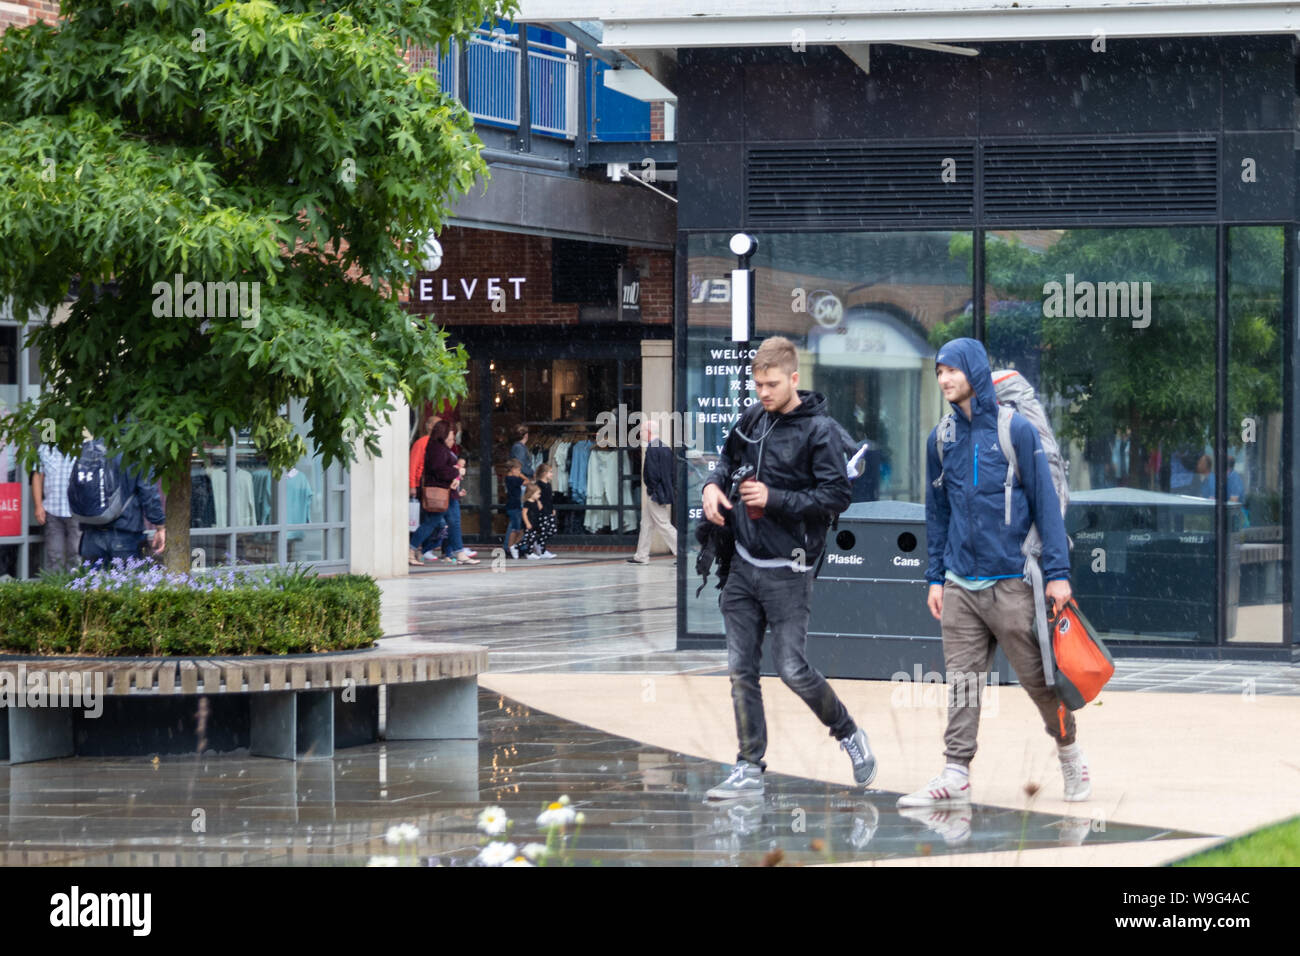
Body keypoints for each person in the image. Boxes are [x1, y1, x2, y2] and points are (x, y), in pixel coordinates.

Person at [901, 337, 1087, 809]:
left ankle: (1069, 753)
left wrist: (1058, 573)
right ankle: (956, 771)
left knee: (1041, 684)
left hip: (1014, 581)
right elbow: (936, 514)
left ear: (975, 372)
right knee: (962, 682)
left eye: (952, 370)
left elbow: (1046, 503)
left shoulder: (1016, 431)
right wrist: (935, 577)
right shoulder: (939, 440)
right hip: (962, 583)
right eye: (939, 371)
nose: (944, 378)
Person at [700, 335, 875, 799]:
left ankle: (848, 733)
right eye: (758, 384)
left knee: (793, 669)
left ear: (794, 378)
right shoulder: (753, 418)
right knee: (741, 669)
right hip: (742, 564)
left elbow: (837, 497)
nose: (763, 393)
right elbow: (726, 460)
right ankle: (748, 766)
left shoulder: (820, 431)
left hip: (789, 569)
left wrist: (774, 499)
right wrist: (711, 487)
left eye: (772, 384)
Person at [76, 447, 167, 564]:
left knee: (91, 581)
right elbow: (148, 493)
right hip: (125, 532)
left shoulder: (89, 450)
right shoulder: (136, 452)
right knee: (128, 580)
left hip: (90, 533)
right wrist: (159, 525)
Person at [422, 421, 478, 565]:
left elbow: (443, 469)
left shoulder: (443, 449)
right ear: (444, 435)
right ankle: (418, 549)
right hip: (441, 492)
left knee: (451, 523)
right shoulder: (437, 449)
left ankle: (455, 552)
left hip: (448, 492)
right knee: (437, 523)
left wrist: (457, 476)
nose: (453, 440)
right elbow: (440, 470)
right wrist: (457, 471)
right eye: (451, 436)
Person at [628, 419, 677, 564]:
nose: (640, 433)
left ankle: (682, 552)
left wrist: (652, 489)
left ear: (648, 432)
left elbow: (652, 474)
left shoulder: (652, 448)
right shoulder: (665, 448)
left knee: (663, 524)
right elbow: (672, 473)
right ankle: (641, 556)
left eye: (642, 430)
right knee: (646, 524)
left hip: (655, 493)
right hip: (661, 491)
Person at [32, 444, 81, 572]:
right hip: (52, 510)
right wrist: (38, 506)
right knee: (54, 556)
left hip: (76, 511)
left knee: (76, 554)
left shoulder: (80, 446)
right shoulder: (44, 448)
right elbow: (37, 476)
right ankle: (56, 590)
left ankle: (76, 589)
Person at [409, 414, 443, 565]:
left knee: (439, 523)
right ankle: (415, 549)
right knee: (432, 521)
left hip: (436, 487)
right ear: (429, 426)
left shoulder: (438, 444)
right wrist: (412, 486)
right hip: (423, 486)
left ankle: (419, 549)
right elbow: (413, 465)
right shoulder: (422, 443)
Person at [518, 481, 550, 559]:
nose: (539, 496)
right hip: (529, 523)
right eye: (538, 494)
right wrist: (527, 523)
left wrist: (538, 502)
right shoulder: (527, 503)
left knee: (532, 538)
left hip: (534, 523)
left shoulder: (535, 502)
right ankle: (523, 550)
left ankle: (529, 552)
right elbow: (524, 514)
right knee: (529, 539)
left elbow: (540, 508)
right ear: (531, 494)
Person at [533, 463, 558, 558]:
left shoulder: (548, 485)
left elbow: (549, 499)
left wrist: (552, 509)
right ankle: (542, 550)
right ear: (544, 473)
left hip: (548, 510)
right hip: (541, 511)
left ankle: (538, 543)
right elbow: (535, 497)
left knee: (552, 530)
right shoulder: (538, 484)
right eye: (550, 472)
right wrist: (538, 504)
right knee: (544, 530)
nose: (552, 474)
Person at [504, 458, 525, 558]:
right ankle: (510, 547)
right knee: (515, 529)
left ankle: (512, 546)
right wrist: (520, 474)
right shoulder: (513, 479)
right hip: (514, 506)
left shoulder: (509, 478)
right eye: (518, 470)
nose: (520, 472)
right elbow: (527, 481)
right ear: (513, 469)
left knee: (515, 527)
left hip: (514, 505)